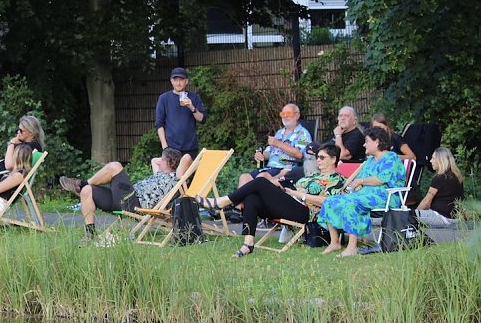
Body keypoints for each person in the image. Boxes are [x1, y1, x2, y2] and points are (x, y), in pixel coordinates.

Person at [195, 144, 345, 258]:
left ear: (333, 159)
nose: (318, 160)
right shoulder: (312, 176)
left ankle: (221, 203)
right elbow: (292, 187)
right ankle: (248, 244)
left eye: (322, 157)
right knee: (252, 197)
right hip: (290, 202)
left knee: (260, 182)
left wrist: (299, 194)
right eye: (317, 157)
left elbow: (327, 202)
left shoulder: (337, 180)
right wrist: (281, 186)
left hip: (306, 212)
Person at [59, 147, 182, 241]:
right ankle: (90, 234)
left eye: (163, 160)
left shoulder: (175, 179)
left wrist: (174, 160)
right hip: (123, 199)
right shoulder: (160, 174)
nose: (160, 161)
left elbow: (186, 160)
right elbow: (154, 160)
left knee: (115, 166)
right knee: (87, 190)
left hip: (134, 203)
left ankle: (80, 183)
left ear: (170, 163)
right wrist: (166, 158)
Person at [318, 127, 406, 257]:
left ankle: (352, 247)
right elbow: (359, 181)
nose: (364, 145)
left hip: (385, 196)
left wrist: (361, 182)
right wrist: (357, 185)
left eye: (367, 141)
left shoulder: (391, 158)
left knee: (353, 203)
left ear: (377, 142)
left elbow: (381, 179)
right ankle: (334, 242)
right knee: (330, 200)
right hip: (365, 195)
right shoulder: (370, 160)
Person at [238, 103, 311, 187]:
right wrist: (261, 155)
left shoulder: (303, 134)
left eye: (288, 113)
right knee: (244, 177)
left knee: (262, 177)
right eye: (283, 114)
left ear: (297, 115)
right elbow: (269, 152)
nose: (285, 116)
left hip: (284, 169)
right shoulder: (279, 132)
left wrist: (278, 143)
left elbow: (299, 154)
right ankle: (243, 196)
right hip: (268, 168)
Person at [154, 67, 206, 170]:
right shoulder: (164, 98)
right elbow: (159, 124)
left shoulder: (194, 97)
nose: (178, 83)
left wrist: (192, 107)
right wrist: (165, 147)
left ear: (186, 81)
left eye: (181, 80)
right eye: (175, 80)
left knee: (188, 177)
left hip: (190, 148)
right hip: (171, 148)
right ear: (171, 81)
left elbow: (202, 119)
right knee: (170, 176)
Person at [415, 146, 464, 227]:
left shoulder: (439, 178)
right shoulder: (458, 177)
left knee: (408, 215)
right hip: (455, 219)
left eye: (433, 158)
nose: (431, 161)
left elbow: (426, 201)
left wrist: (415, 214)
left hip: (440, 217)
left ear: (441, 160)